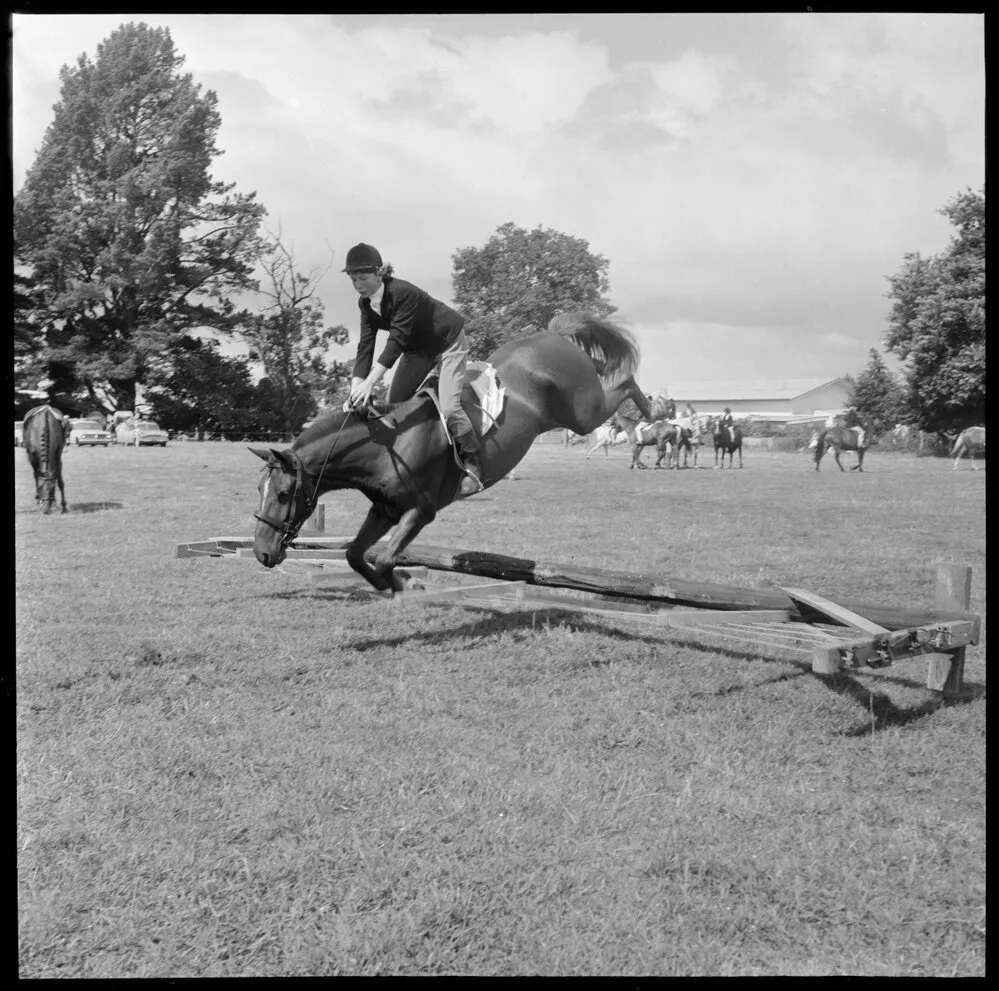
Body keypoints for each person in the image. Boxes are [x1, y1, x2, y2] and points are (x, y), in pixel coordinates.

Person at [343, 243, 483, 496]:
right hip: (418, 350)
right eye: (353, 280)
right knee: (394, 407)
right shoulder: (365, 305)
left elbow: (395, 341)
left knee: (451, 408)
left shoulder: (402, 293)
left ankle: (472, 465)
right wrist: (355, 389)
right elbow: (365, 346)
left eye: (363, 278)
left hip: (447, 341)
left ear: (379, 272)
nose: (358, 284)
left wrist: (371, 382)